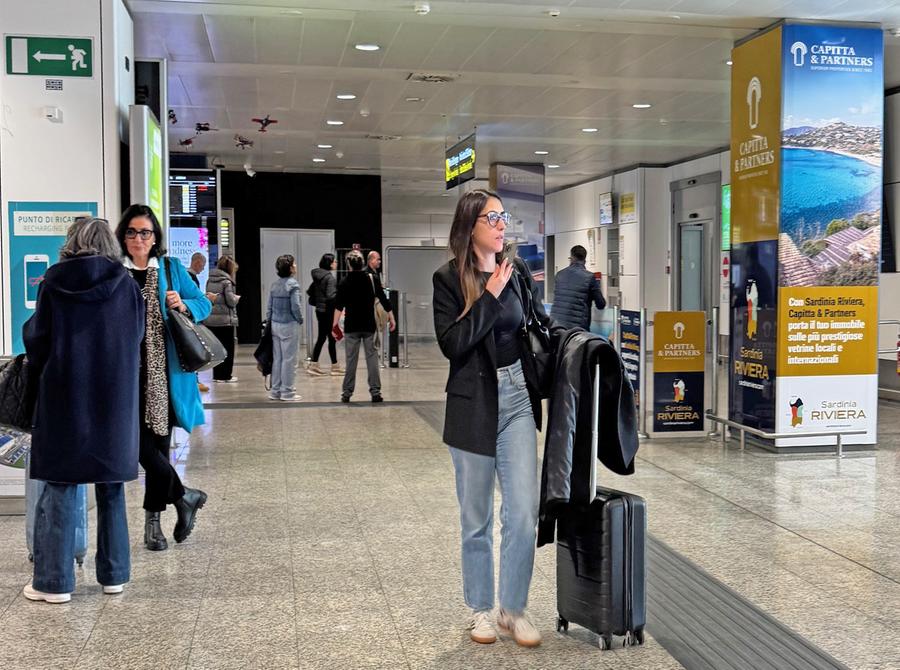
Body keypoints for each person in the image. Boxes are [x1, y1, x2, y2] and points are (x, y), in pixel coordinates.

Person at [432, 189, 559, 648]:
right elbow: (453, 343)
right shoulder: (447, 279)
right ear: (471, 227)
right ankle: (482, 610)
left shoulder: (518, 269)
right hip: (472, 405)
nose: (503, 224)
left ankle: (513, 608)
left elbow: (539, 324)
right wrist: (488, 295)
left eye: (504, 216)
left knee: (524, 512)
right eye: (494, 217)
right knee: (477, 517)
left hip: (519, 398)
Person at [22, 217, 144, 603]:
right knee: (110, 487)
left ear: (71, 241)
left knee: (59, 485)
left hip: (64, 395)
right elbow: (136, 338)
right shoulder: (127, 286)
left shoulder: (54, 283)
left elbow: (38, 341)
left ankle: (53, 583)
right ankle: (114, 575)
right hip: (114, 398)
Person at [116, 204, 211, 552]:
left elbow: (203, 303)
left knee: (157, 449)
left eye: (145, 232)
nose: (138, 238)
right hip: (124, 375)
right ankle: (185, 495)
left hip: (163, 374)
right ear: (122, 236)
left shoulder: (170, 269)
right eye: (131, 232)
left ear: (155, 238)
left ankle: (153, 524)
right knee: (139, 448)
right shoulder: (115, 272)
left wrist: (184, 306)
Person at [333, 251, 395, 403]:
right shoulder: (372, 279)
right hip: (369, 325)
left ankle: (347, 393)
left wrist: (334, 326)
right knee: (372, 359)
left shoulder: (344, 282)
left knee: (351, 360)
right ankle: (375, 392)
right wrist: (391, 317)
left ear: (348, 264)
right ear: (362, 264)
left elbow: (338, 306)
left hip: (351, 326)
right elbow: (383, 299)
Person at [266, 254, 304, 402]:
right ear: (290, 268)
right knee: (289, 360)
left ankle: (275, 391)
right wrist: (299, 319)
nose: (295, 266)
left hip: (275, 324)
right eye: (294, 264)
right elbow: (295, 306)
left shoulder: (274, 285)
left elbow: (269, 307)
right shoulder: (293, 285)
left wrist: (269, 321)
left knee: (278, 359)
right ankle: (287, 392)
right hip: (289, 324)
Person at [551, 245, 605, 330]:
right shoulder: (590, 277)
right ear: (584, 260)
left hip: (555, 326)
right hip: (577, 330)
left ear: (571, 257)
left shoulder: (559, 274)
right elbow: (601, 304)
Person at [205, 256, 241, 383]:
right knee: (228, 349)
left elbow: (209, 297)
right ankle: (225, 376)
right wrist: (237, 298)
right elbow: (230, 301)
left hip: (211, 320)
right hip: (225, 320)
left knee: (217, 349)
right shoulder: (227, 282)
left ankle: (217, 375)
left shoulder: (210, 280)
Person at [307, 253, 341, 377]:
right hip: (328, 311)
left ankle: (319, 365)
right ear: (330, 263)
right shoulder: (330, 278)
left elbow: (311, 291)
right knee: (329, 338)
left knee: (323, 338)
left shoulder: (318, 276)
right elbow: (331, 296)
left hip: (320, 310)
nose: (336, 263)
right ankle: (332, 367)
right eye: (335, 261)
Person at [187, 253, 209, 392]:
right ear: (197, 262)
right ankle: (194, 380)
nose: (203, 268)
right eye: (203, 264)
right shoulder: (190, 278)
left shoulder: (191, 277)